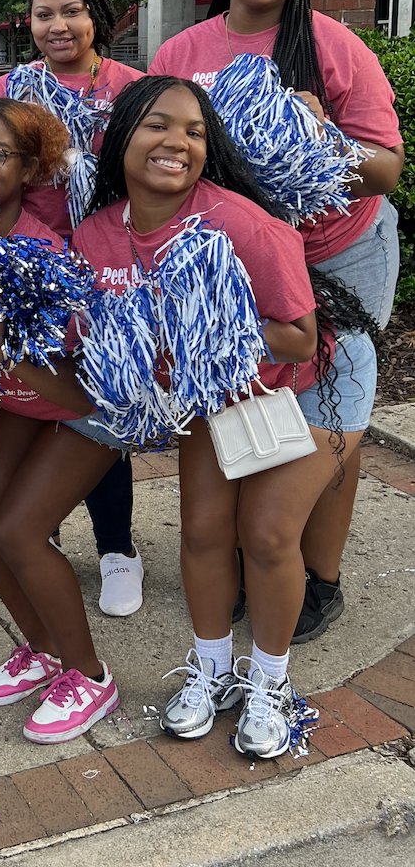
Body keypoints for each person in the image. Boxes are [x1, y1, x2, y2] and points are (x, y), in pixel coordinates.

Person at [42, 75, 366, 758]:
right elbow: (91, 345)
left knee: (269, 535)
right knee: (202, 532)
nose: (178, 143)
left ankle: (270, 683)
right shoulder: (98, 236)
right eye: (159, 125)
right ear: (122, 135)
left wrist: (188, 330)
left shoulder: (239, 222)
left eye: (194, 132)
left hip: (300, 386)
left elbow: (298, 336)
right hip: (212, 396)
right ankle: (213, 670)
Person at [150, 0, 405, 642]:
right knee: (251, 392)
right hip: (243, 261)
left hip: (343, 254)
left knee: (334, 409)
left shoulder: (333, 46)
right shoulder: (182, 53)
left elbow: (385, 169)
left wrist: (321, 143)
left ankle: (318, 576)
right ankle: (256, 551)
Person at [0, 97, 128, 743]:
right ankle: (43, 647)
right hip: (26, 404)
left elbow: (77, 385)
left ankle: (90, 676)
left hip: (90, 406)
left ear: (32, 167)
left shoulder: (44, 256)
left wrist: (3, 347)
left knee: (20, 531)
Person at [0, 0, 144, 618]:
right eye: (44, 13)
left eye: (71, 10)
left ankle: (117, 550)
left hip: (113, 269)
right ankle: (39, 535)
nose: (57, 25)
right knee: (38, 402)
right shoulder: (12, 90)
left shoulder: (135, 88)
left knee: (102, 410)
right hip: (34, 273)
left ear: (96, 17)